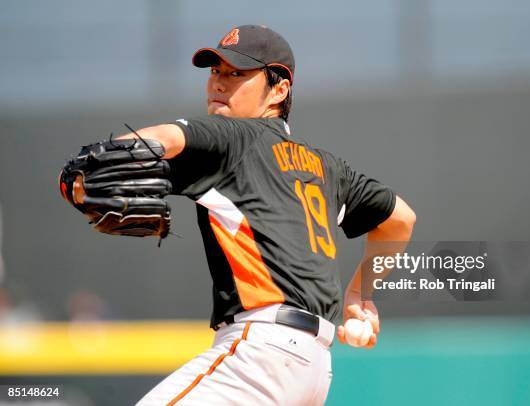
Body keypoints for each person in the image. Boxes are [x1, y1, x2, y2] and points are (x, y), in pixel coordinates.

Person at [70, 25, 415, 405]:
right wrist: (359, 295)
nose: (218, 83)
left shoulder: (232, 137)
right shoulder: (327, 166)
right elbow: (400, 219)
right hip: (313, 368)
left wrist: (89, 170)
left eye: (237, 74)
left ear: (280, 89)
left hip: (259, 354)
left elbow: (165, 138)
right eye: (215, 71)